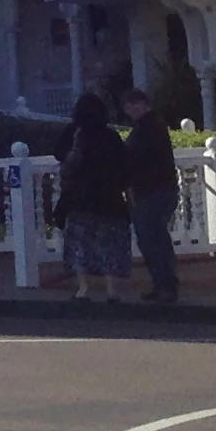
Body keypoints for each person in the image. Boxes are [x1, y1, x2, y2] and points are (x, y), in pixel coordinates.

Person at [55, 92, 132, 306]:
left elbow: (58, 154)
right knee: (109, 245)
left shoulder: (73, 134)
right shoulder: (110, 136)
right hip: (109, 198)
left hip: (79, 198)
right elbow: (124, 167)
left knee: (79, 244)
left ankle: (83, 288)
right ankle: (112, 290)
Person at [120, 84, 181, 306]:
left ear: (145, 105)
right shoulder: (146, 128)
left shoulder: (150, 128)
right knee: (152, 239)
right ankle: (161, 284)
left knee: (153, 239)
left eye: (136, 104)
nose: (132, 109)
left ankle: (166, 285)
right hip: (154, 191)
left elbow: (135, 158)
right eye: (128, 106)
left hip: (154, 192)